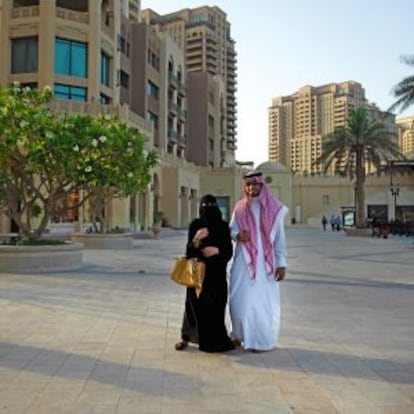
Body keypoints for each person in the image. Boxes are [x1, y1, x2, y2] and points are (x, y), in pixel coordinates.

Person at [229, 171, 288, 352]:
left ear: (262, 185)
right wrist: (237, 235)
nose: (251, 188)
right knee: (238, 299)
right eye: (248, 185)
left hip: (265, 263)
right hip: (244, 260)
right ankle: (238, 334)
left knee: (260, 302)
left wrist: (281, 263)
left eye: (255, 184)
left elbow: (279, 238)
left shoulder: (273, 208)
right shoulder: (240, 208)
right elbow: (231, 229)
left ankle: (259, 340)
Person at [175, 194, 235, 353]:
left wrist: (217, 250)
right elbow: (188, 252)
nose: (208, 210)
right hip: (197, 274)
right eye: (205, 206)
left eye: (211, 206)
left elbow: (228, 252)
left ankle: (215, 340)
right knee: (193, 308)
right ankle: (186, 338)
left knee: (216, 307)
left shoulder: (223, 226)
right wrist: (196, 238)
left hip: (216, 275)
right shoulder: (196, 225)